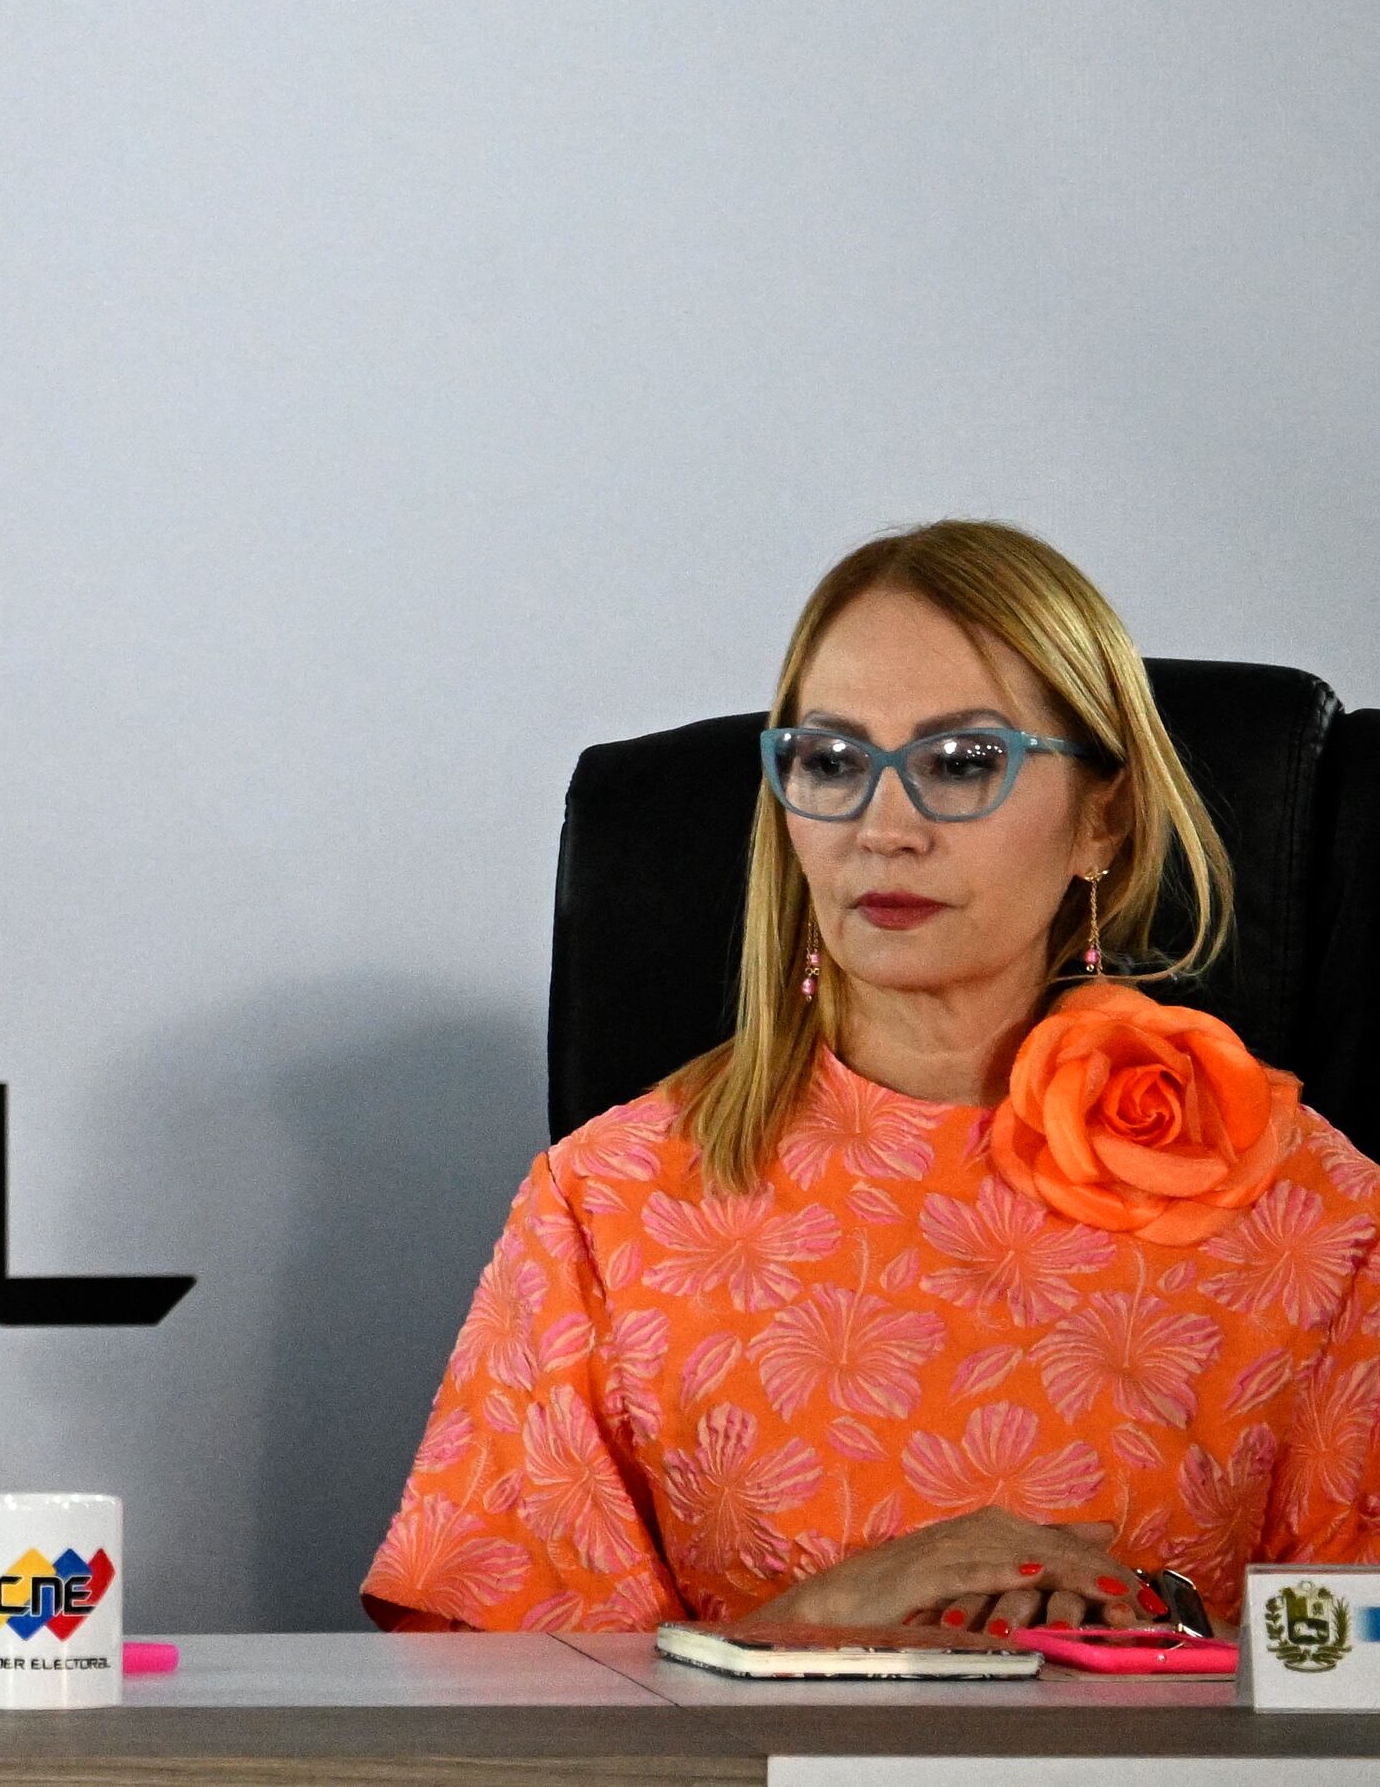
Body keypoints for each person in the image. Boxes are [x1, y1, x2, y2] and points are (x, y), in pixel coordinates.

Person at [370, 521, 1380, 1632]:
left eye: (962, 763)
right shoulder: (606, 1205)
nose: (880, 827)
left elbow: (1356, 1686)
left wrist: (1147, 1640)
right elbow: (492, 1703)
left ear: (1104, 817)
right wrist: (810, 1625)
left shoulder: (1311, 1215)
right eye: (830, 761)